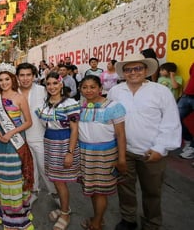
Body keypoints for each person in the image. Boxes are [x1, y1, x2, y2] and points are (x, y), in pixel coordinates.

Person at [108, 53, 181, 230]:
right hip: (124, 151)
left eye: (138, 68)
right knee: (125, 189)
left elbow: (171, 122)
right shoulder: (115, 92)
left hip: (152, 153)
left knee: (152, 192)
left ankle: (152, 224)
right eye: (129, 69)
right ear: (123, 73)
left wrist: (160, 148)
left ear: (146, 70)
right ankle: (128, 219)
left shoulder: (160, 91)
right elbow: (109, 119)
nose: (133, 72)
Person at [78, 75, 127, 230]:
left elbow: (121, 135)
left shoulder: (113, 106)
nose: (89, 90)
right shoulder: (82, 107)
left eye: (93, 87)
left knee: (100, 192)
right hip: (86, 154)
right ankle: (98, 217)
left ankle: (97, 224)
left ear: (100, 88)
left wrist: (122, 159)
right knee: (93, 189)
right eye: (85, 87)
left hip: (105, 155)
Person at [0, 63, 34, 230]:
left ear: (12, 79)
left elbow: (28, 122)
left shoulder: (19, 97)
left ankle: (16, 216)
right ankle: (5, 210)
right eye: (0, 80)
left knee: (14, 178)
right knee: (2, 177)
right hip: (0, 142)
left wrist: (10, 133)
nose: (4, 83)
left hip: (15, 143)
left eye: (7, 79)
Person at [35, 71, 81, 230]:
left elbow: (75, 130)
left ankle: (65, 213)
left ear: (61, 84)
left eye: (55, 83)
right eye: (48, 84)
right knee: (55, 180)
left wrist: (70, 152)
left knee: (60, 183)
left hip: (64, 143)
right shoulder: (45, 104)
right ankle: (63, 208)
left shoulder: (70, 103)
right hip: (50, 143)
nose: (52, 87)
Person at [16, 63, 58, 205]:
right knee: (29, 167)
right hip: (20, 138)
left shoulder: (43, 90)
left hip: (40, 136)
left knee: (44, 168)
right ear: (17, 77)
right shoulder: (14, 92)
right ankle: (34, 191)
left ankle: (56, 195)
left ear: (34, 76)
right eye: (22, 75)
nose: (25, 78)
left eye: (29, 75)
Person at [178, 62, 194, 160]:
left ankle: (192, 148)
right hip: (186, 96)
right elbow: (190, 78)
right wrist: (184, 92)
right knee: (176, 118)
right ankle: (188, 140)